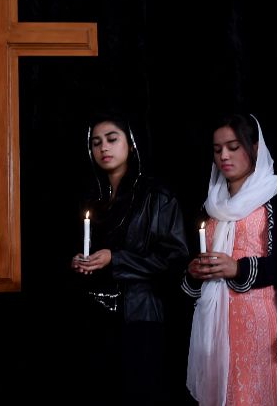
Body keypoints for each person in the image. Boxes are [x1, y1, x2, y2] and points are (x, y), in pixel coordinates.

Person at [183, 114, 277, 406]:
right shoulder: (212, 205)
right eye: (217, 149)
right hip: (217, 331)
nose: (224, 156)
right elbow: (203, 261)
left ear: (255, 147)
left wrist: (240, 268)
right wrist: (195, 271)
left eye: (233, 146)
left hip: (269, 328)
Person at [70, 111, 189, 406]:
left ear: (131, 144)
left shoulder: (157, 196)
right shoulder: (91, 197)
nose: (103, 148)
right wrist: (80, 262)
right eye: (96, 142)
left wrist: (116, 259)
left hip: (140, 318)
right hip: (94, 319)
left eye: (112, 139)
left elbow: (175, 260)